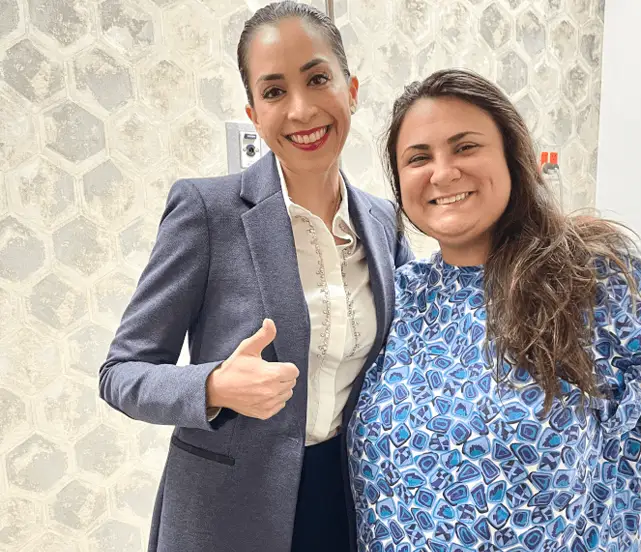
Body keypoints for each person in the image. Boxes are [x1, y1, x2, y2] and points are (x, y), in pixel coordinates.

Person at [346, 69, 641, 552]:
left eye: (465, 147)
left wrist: (610, 516)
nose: (442, 172)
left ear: (511, 157)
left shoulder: (590, 279)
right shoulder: (402, 296)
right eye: (418, 158)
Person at [98, 3, 411, 551]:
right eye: (273, 92)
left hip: (349, 501)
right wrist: (214, 384)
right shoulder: (206, 211)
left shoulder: (384, 223)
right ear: (253, 112)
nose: (301, 109)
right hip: (229, 514)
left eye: (318, 79)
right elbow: (121, 373)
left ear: (352, 88)